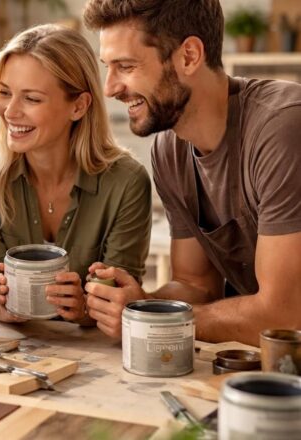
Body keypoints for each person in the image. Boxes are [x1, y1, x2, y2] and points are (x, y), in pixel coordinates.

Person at [83, 0, 301, 344]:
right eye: (108, 68)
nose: (110, 88)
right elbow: (196, 285)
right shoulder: (169, 149)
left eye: (125, 66)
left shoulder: (282, 127)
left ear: (189, 56)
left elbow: (284, 315)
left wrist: (151, 320)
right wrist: (138, 305)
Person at [0, 24, 151, 332]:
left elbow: (118, 296)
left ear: (78, 106)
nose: (10, 111)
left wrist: (84, 308)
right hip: (3, 334)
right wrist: (4, 304)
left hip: (88, 343)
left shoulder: (127, 182)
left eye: (32, 99)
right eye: (5, 92)